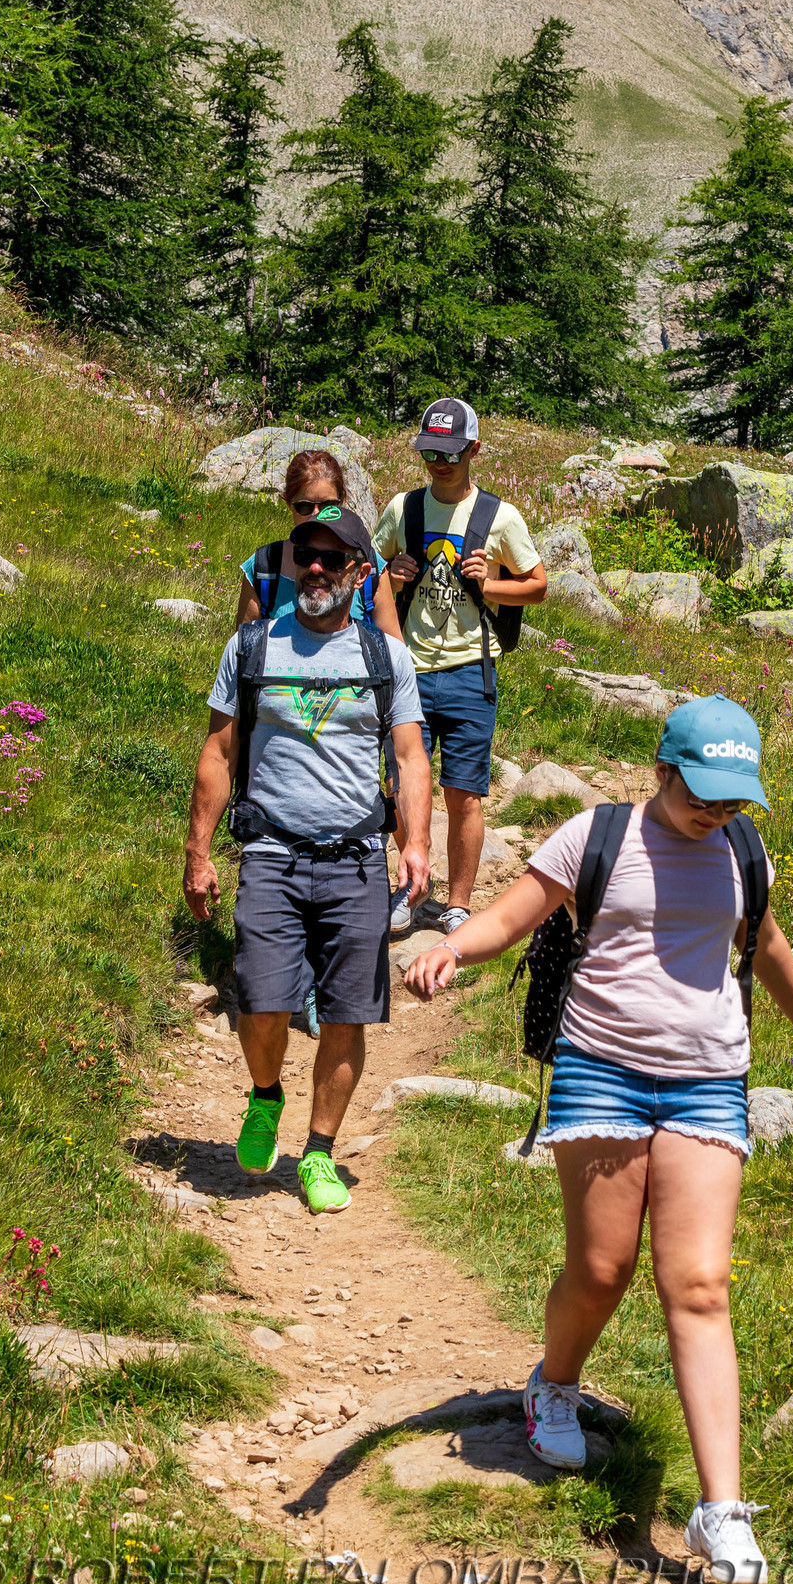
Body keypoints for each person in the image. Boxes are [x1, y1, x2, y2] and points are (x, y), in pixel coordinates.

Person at [404, 694, 793, 1584]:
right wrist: (456, 946)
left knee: (698, 1281)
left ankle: (720, 1509)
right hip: (600, 1071)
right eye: (703, 792)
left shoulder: (742, 850)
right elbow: (515, 913)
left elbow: (762, 940)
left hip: (709, 1079)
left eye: (734, 798)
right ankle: (554, 1385)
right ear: (663, 768)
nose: (717, 811)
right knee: (603, 1268)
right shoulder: (597, 834)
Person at [185, 507, 432, 1215]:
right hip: (270, 852)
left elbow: (412, 758)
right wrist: (198, 851)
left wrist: (414, 842)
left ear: (361, 573)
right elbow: (218, 751)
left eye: (332, 558)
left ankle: (319, 1152)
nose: (315, 569)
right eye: (305, 557)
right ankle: (266, 1094)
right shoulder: (253, 647)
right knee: (263, 1001)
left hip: (355, 859)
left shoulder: (386, 658)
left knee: (349, 1014)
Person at [373, 399, 546, 939]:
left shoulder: (501, 517)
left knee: (464, 792)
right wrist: (391, 575)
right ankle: (410, 889)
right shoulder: (404, 510)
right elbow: (366, 573)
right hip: (409, 669)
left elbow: (537, 584)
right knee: (403, 783)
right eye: (429, 452)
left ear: (474, 449)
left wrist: (488, 585)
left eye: (449, 453)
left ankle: (459, 904)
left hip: (474, 668)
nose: (438, 463)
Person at [235, 447, 403, 638]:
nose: (317, 515)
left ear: (341, 502)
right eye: (305, 507)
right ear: (289, 504)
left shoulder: (369, 565)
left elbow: (393, 652)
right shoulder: (264, 567)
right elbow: (244, 651)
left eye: (327, 506)